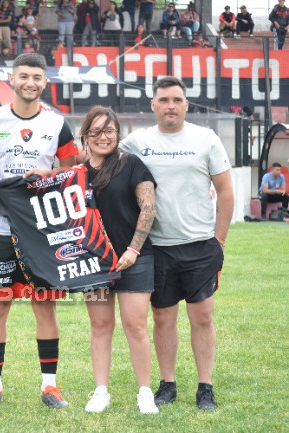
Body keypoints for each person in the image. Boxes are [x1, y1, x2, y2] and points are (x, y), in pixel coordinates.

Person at [0, 53, 78, 410]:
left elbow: (69, 169)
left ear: (45, 83)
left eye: (37, 78)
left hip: (41, 231)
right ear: (12, 79)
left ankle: (50, 387)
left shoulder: (57, 124)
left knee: (45, 308)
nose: (30, 82)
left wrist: (44, 179)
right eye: (24, 76)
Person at [120, 76, 234, 410]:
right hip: (157, 246)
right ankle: (167, 383)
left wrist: (220, 240)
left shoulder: (206, 139)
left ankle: (205, 387)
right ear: (153, 105)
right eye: (165, 100)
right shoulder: (138, 141)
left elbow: (226, 191)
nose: (171, 106)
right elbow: (102, 155)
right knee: (163, 318)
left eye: (177, 100)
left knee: (202, 317)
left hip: (200, 245)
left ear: (186, 104)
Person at [78, 106, 158, 415]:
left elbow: (148, 208)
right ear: (85, 135)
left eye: (108, 131)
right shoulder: (78, 171)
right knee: (100, 325)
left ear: (117, 133)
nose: (102, 137)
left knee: (135, 325)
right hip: (93, 263)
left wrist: (133, 249)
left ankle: (145, 392)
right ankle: (100, 391)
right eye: (95, 131)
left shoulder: (132, 164)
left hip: (134, 260)